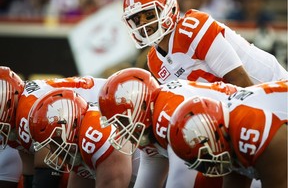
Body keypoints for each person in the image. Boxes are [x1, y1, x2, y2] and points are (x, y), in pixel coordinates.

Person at [121, 0, 288, 86]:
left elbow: (241, 81)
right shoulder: (155, 61)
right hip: (234, 102)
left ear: (169, 9)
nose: (142, 23)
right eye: (136, 19)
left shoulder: (192, 27)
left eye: (150, 14)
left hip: (270, 86)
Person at [98, 67, 244, 188]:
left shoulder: (168, 114)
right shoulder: (150, 120)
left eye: (121, 121)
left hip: (245, 132)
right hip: (232, 147)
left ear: (140, 106)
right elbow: (147, 181)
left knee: (204, 179)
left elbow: (181, 181)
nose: (120, 129)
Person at [0, 66, 139, 187]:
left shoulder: (29, 110)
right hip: (84, 129)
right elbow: (29, 169)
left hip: (113, 116)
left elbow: (49, 168)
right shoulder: (17, 112)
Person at [167, 80, 287, 188]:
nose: (206, 165)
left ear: (212, 134)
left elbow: (279, 181)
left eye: (205, 154)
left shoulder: (248, 128)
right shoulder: (229, 132)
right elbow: (235, 181)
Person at [28, 88, 133, 188]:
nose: (52, 150)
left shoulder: (96, 138)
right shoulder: (79, 139)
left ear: (70, 126)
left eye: (54, 142)